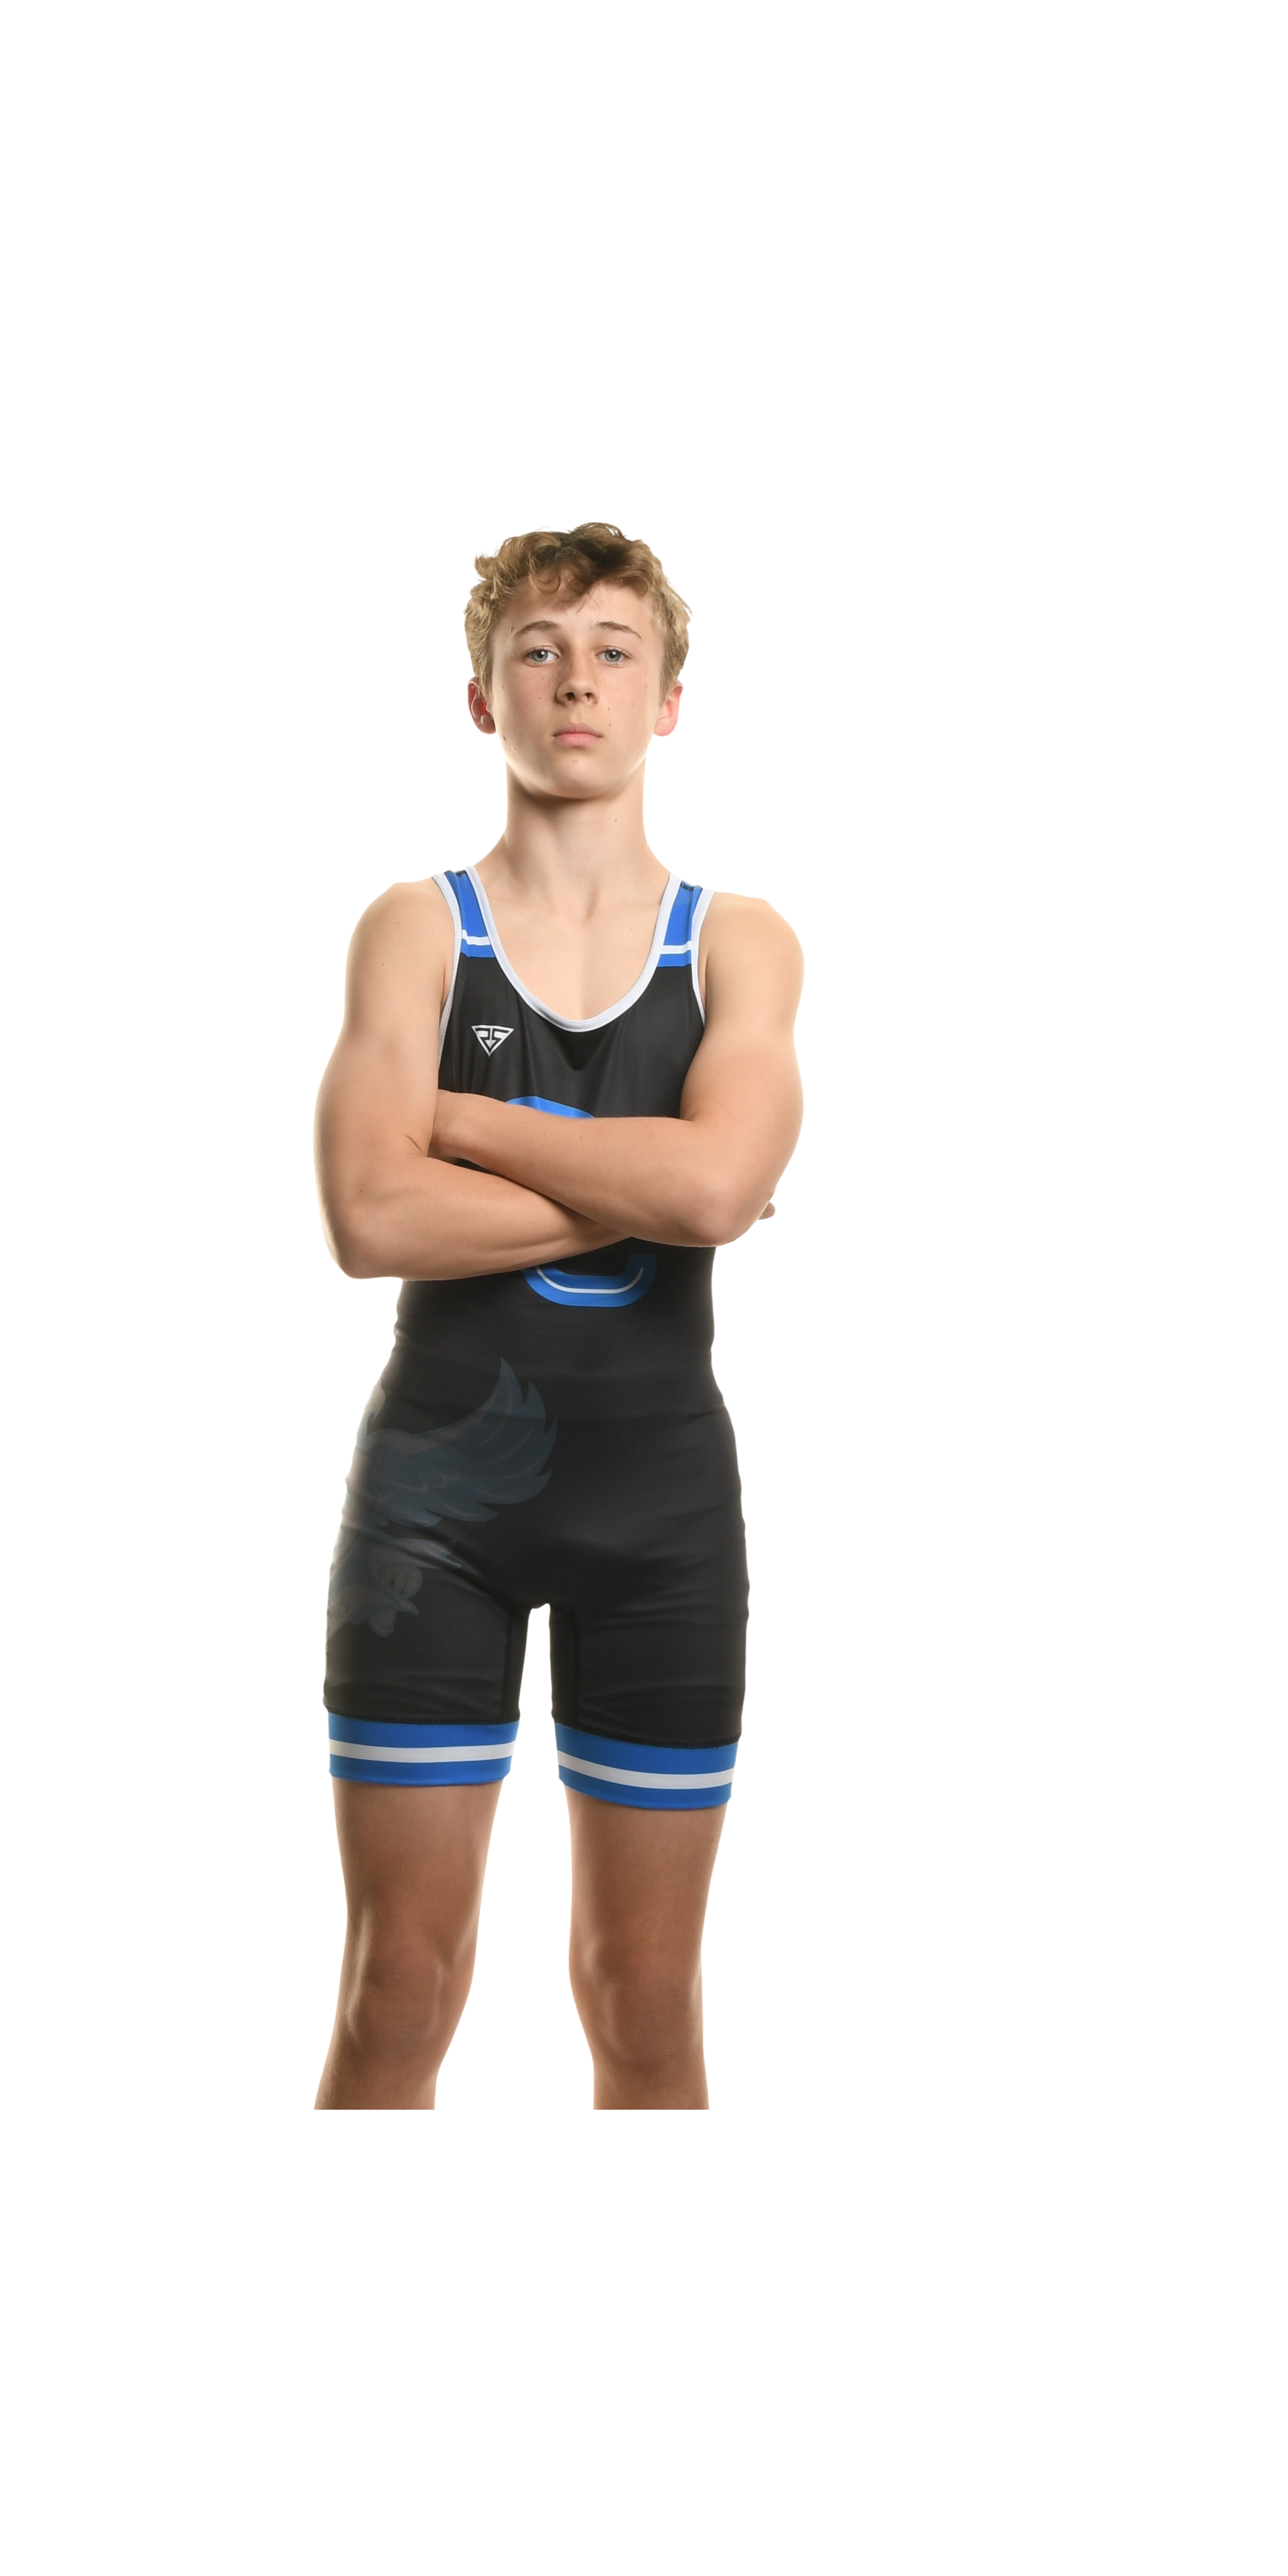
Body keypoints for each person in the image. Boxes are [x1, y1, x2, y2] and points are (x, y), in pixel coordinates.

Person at [310, 522, 804, 2113]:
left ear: (670, 699)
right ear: (483, 697)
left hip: (662, 1515)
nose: (575, 680)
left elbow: (720, 1189)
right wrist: (650, 1182)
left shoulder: (738, 941)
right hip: (435, 1509)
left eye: (612, 650)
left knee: (645, 2006)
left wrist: (465, 1122)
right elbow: (371, 1217)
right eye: (537, 650)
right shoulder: (414, 929)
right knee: (396, 1992)